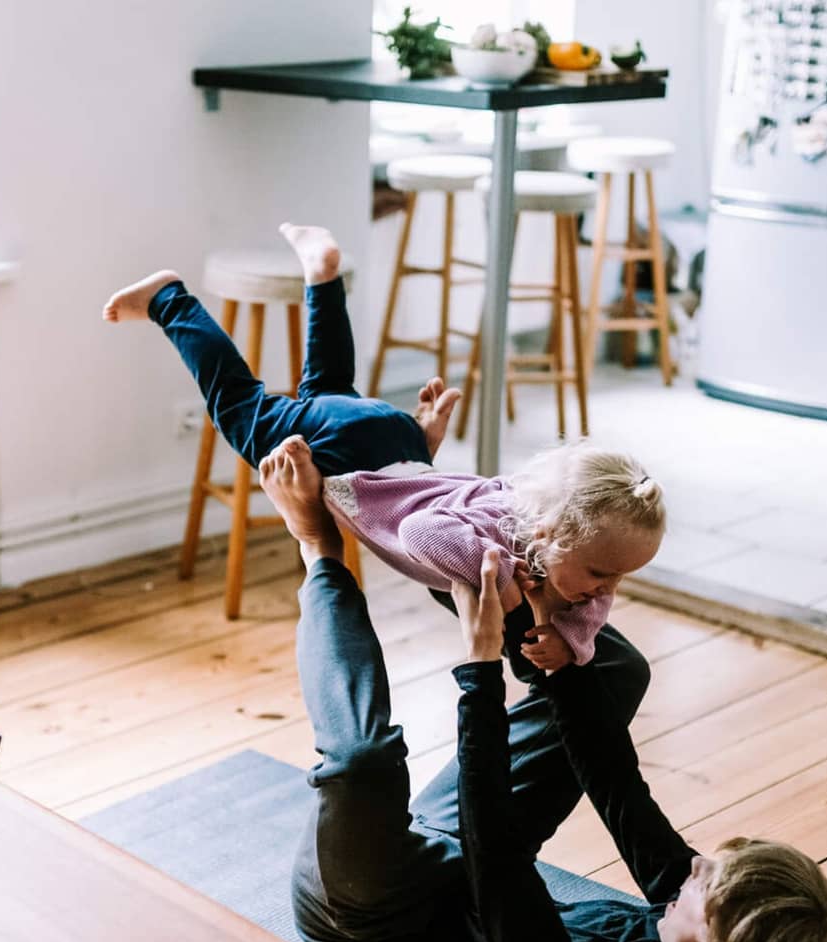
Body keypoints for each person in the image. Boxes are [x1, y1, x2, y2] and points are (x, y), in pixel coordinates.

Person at [254, 438, 827, 942]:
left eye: (703, 884)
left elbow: (502, 862)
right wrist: (554, 657)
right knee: (610, 672)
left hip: (377, 919)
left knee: (364, 762)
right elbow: (618, 788)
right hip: (468, 868)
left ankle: (319, 547)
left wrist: (481, 666)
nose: (691, 867)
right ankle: (467, 536)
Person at [104, 222, 666, 673]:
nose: (606, 590)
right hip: (344, 459)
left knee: (326, 391)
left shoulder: (561, 534)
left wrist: (573, 643)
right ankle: (169, 300)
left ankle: (322, 277)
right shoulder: (503, 544)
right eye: (601, 574)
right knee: (238, 404)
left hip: (397, 438)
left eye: (617, 578)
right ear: (549, 535)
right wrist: (499, 584)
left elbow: (590, 607)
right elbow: (422, 532)